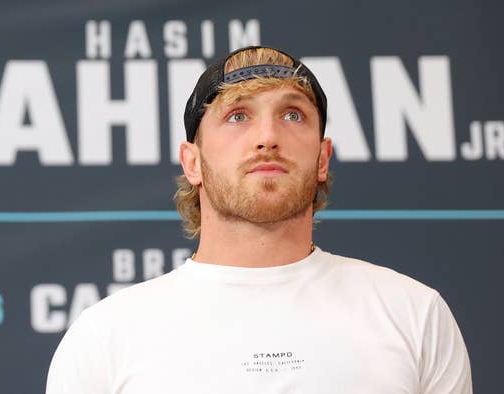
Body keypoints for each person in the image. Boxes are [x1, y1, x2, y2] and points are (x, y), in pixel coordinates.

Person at [46, 46, 472, 393]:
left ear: (322, 158)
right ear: (192, 163)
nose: (268, 137)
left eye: (292, 115)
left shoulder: (414, 314)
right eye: (237, 116)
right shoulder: (105, 337)